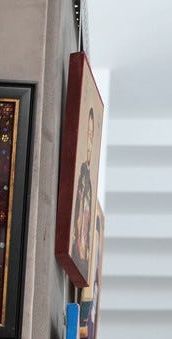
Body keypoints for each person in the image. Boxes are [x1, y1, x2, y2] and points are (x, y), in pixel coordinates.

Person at [70, 108, 97, 269]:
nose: (89, 145)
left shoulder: (90, 185)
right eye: (87, 134)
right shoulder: (81, 176)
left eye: (91, 136)